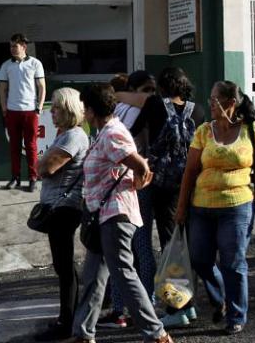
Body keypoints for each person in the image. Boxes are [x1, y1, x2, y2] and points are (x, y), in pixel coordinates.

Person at [66, 84, 174, 343]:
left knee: (123, 274)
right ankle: (83, 333)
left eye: (85, 108)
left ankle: (157, 333)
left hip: (115, 215)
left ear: (91, 110)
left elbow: (139, 163)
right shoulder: (103, 133)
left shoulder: (113, 133)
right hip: (101, 216)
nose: (83, 113)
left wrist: (139, 180)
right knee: (93, 277)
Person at [176, 81, 255, 336]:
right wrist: (181, 208)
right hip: (201, 206)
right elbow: (190, 172)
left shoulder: (251, 130)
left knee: (233, 262)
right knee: (200, 259)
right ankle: (221, 297)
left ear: (230, 103)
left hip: (237, 206)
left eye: (215, 100)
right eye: (211, 99)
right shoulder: (203, 131)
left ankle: (236, 315)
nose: (211, 104)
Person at [130, 67, 205, 327]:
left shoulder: (154, 105)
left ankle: (177, 309)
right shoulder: (197, 110)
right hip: (190, 183)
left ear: (162, 87)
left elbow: (133, 130)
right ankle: (189, 305)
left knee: (170, 246)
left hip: (163, 184)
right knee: (184, 243)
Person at [97, 69, 156, 331]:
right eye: (146, 89)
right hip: (134, 184)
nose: (151, 95)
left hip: (121, 186)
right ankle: (141, 307)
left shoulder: (116, 112)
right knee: (136, 251)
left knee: (125, 255)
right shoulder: (133, 110)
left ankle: (125, 309)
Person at [33, 88, 89, 342]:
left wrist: (42, 163)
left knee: (64, 266)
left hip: (64, 208)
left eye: (55, 108)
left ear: (67, 110)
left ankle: (66, 322)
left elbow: (46, 168)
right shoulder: (66, 135)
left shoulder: (73, 137)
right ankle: (67, 317)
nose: (51, 112)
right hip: (58, 206)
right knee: (62, 265)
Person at [0, 33, 46, 192]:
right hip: (12, 111)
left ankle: (33, 178)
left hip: (30, 111)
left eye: (15, 46)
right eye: (11, 46)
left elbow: (41, 87)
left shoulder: (35, 64)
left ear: (24, 47)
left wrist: (39, 107)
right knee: (14, 146)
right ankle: (15, 177)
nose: (12, 49)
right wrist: (4, 108)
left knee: (31, 145)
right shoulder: (6, 66)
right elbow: (3, 89)